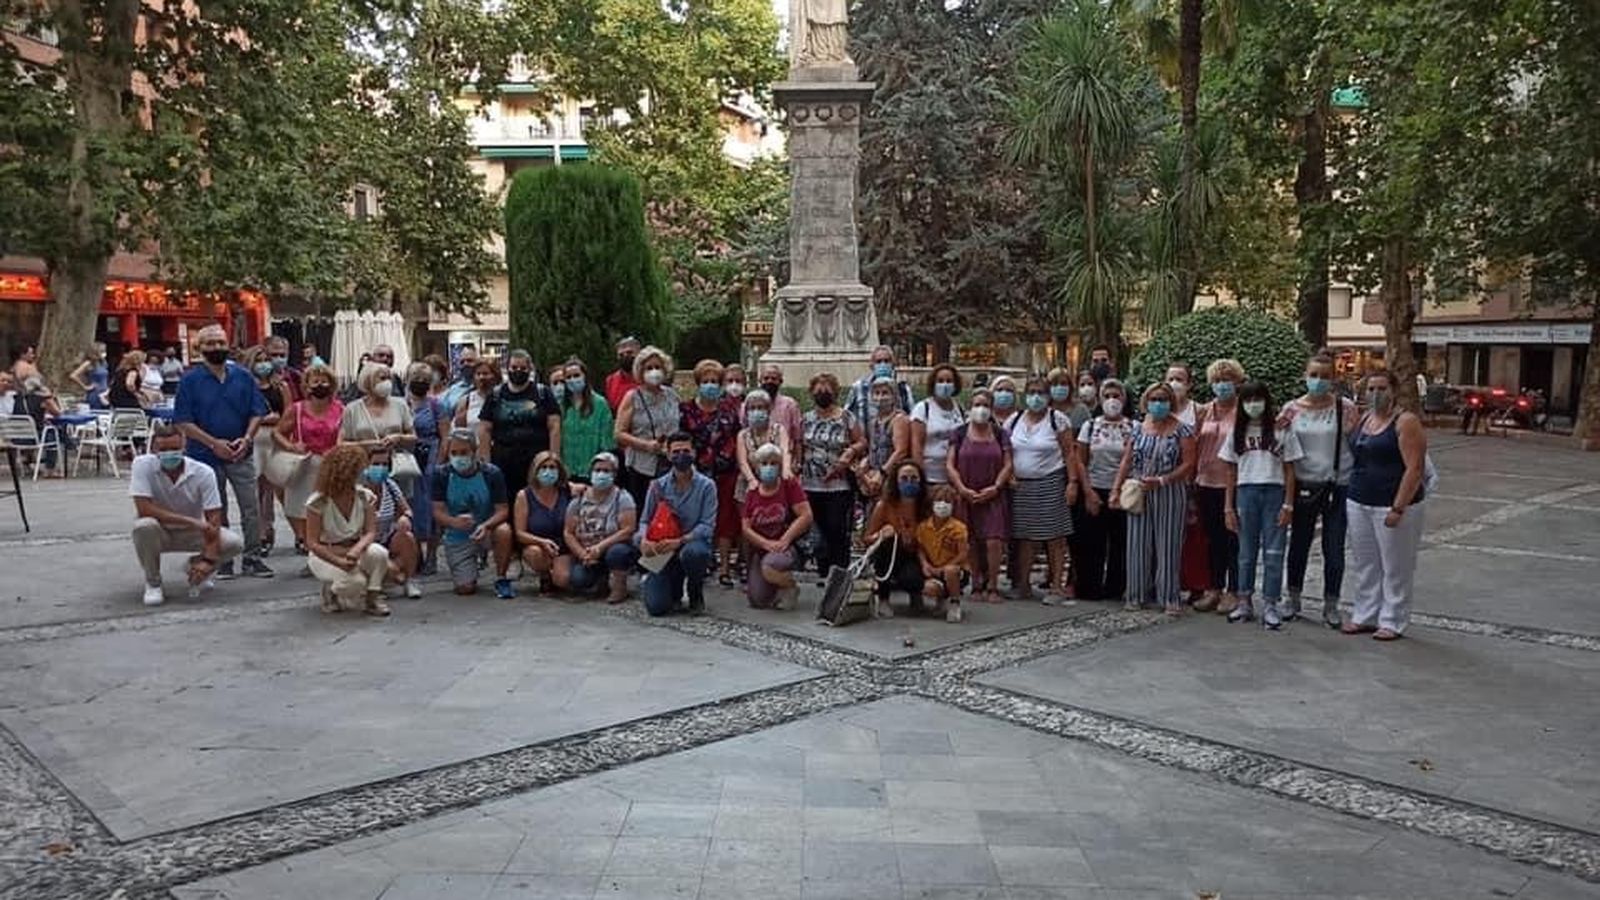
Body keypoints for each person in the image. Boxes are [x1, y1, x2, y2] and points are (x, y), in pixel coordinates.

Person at [174, 325, 274, 579]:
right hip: (204, 455)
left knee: (251, 507)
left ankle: (253, 558)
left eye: (220, 342)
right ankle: (223, 558)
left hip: (241, 451)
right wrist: (213, 443)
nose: (216, 347)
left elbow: (257, 412)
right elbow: (183, 421)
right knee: (216, 509)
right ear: (200, 348)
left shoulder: (242, 375)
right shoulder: (189, 380)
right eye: (210, 343)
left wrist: (247, 438)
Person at [1344, 370, 1427, 641]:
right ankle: (1365, 614)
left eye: (1381, 388)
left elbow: (1414, 468)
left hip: (1392, 504)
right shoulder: (1364, 419)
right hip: (1359, 500)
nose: (1375, 394)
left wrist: (1398, 507)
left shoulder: (1406, 422)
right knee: (1366, 563)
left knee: (1396, 565)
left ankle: (1393, 619)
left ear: (1393, 391)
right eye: (1370, 389)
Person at [1279, 351, 1359, 627]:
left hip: (1338, 484)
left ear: (1334, 379)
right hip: (1303, 484)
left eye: (1325, 376)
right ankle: (1293, 598)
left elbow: (1357, 443)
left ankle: (1331, 603)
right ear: (1305, 376)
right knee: (1299, 544)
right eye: (1314, 375)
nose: (1319, 381)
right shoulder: (1291, 409)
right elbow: (1281, 446)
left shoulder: (1344, 407)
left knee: (1334, 547)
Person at [129, 423, 244, 606]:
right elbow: (144, 508)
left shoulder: (203, 473)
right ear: (154, 449)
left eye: (175, 448)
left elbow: (214, 519)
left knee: (234, 543)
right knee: (143, 526)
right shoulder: (142, 465)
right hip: (159, 531)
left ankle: (195, 567)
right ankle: (153, 582)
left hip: (192, 532)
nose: (169, 454)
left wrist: (208, 560)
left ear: (184, 447)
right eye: (163, 449)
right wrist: (191, 521)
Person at [1221, 382, 1302, 629]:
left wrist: (1289, 504)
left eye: (1258, 399)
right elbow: (1230, 472)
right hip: (1246, 492)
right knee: (1245, 552)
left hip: (1274, 492)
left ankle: (1270, 603)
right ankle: (1244, 600)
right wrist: (1228, 507)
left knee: (1274, 552)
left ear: (1267, 401)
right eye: (1248, 399)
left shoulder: (1281, 430)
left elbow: (1290, 469)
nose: (1253, 404)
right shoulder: (1236, 432)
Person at [1112, 382, 1197, 615]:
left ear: (1171, 402)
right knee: (1137, 544)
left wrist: (1164, 480)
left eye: (1163, 399)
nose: (1158, 404)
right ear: (1146, 402)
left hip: (1169, 490)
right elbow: (1127, 460)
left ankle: (1169, 596)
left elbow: (1189, 463)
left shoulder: (1183, 430)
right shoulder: (1138, 428)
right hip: (1140, 489)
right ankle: (1136, 594)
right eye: (1154, 399)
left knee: (1168, 544)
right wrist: (1115, 489)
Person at [1007, 376, 1076, 604]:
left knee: (1054, 536)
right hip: (1022, 485)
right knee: (1025, 537)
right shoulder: (1014, 420)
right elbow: (1006, 451)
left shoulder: (1058, 420)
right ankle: (1024, 584)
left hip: (1050, 482)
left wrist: (1072, 482)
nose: (1036, 397)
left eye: (1041, 392)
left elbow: (1069, 453)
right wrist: (1008, 475)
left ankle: (1056, 587)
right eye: (1032, 392)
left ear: (1048, 396)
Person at [304, 443, 392, 617]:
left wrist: (357, 549)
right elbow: (312, 542)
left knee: (379, 553)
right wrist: (339, 562)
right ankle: (331, 592)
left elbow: (370, 531)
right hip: (327, 552)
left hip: (355, 549)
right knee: (355, 583)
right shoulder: (318, 502)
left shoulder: (364, 496)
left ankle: (373, 598)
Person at [637, 432, 717, 616]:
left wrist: (681, 541)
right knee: (656, 608)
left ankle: (695, 590)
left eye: (686, 451)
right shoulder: (657, 486)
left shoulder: (707, 486)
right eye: (676, 451)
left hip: (691, 543)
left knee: (695, 553)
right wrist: (643, 539)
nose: (681, 455)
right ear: (668, 454)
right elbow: (644, 520)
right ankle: (672, 585)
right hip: (662, 548)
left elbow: (707, 525)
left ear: (694, 453)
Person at [679, 359, 743, 586]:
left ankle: (725, 567)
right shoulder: (686, 409)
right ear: (698, 383)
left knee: (725, 520)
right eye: (706, 381)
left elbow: (736, 438)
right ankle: (701, 562)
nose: (710, 385)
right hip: (696, 474)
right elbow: (682, 440)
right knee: (698, 519)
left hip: (725, 474)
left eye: (715, 381)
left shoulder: (729, 410)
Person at [432, 428, 516, 598]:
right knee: (465, 589)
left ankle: (501, 577)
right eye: (454, 453)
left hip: (486, 529)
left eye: (464, 452)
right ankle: (471, 566)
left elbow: (503, 510)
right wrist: (453, 522)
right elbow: (437, 512)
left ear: (474, 451)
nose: (459, 457)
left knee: (504, 531)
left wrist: (486, 525)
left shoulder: (492, 474)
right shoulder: (441, 475)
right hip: (458, 534)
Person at [946, 389, 1011, 605]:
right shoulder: (959, 432)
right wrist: (961, 488)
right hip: (967, 493)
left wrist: (997, 486)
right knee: (971, 540)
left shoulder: (1000, 433)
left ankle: (992, 584)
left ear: (991, 409)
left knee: (993, 540)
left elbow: (1008, 464)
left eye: (985, 405)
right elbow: (950, 463)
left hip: (992, 494)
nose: (980, 409)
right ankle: (976, 582)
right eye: (976, 404)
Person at [1072, 378, 1133, 602]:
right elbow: (1080, 460)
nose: (1112, 401)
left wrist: (1118, 490)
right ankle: (1089, 587)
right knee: (1090, 543)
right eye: (1107, 396)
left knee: (1120, 543)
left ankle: (1116, 588)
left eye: (1116, 396)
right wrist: (1088, 492)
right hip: (1094, 489)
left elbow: (1130, 460)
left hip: (1122, 491)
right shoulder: (1090, 426)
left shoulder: (1132, 427)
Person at [800, 372, 866, 579]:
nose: (822, 393)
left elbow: (862, 442)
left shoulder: (846, 417)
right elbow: (799, 445)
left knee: (837, 527)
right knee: (818, 529)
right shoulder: (806, 418)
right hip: (811, 483)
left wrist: (849, 454)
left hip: (839, 483)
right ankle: (822, 571)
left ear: (835, 392)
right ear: (812, 393)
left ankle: (839, 573)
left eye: (826, 389)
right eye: (818, 390)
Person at [275, 362, 344, 556]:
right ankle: (310, 548)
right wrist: (291, 446)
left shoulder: (340, 408)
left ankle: (327, 550)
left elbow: (346, 433)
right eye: (316, 381)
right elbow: (277, 433)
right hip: (305, 464)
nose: (320, 385)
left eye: (324, 381)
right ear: (307, 385)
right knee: (302, 509)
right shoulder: (297, 409)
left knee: (331, 510)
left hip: (332, 465)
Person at [1192, 358, 1245, 613]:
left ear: (1237, 383)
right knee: (1212, 539)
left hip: (1233, 483)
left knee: (1233, 538)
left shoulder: (1244, 411)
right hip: (1205, 482)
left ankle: (1234, 590)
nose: (1222, 385)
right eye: (1217, 380)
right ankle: (1213, 587)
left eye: (1227, 380)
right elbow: (1194, 446)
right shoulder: (1203, 411)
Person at [478, 349, 561, 497]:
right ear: (507, 369)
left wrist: (553, 459)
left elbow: (554, 427)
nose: (518, 371)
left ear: (530, 370)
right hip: (503, 463)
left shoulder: (543, 393)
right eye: (514, 368)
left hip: (536, 464)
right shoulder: (495, 395)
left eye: (523, 368)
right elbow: (485, 429)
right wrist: (486, 465)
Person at [742, 443, 812, 610]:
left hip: (786, 546)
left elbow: (806, 515)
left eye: (774, 463)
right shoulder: (751, 492)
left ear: (780, 465)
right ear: (757, 467)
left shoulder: (789, 485)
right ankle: (774, 585)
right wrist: (765, 544)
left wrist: (785, 539)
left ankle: (790, 585)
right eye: (764, 463)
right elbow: (746, 527)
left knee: (770, 566)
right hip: (762, 548)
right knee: (757, 601)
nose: (769, 467)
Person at [564, 452, 639, 603]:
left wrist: (600, 547)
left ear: (615, 474)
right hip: (587, 550)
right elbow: (568, 532)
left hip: (612, 548)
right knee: (578, 580)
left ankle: (619, 587)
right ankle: (601, 579)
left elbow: (628, 530)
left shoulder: (623, 498)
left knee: (618, 552)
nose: (601, 474)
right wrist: (582, 554)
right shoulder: (578, 499)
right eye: (597, 470)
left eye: (606, 471)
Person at [864, 461, 933, 615]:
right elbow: (867, 538)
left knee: (913, 577)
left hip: (915, 555)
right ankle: (883, 599)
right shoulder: (884, 506)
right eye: (904, 478)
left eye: (914, 478)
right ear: (896, 481)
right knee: (887, 544)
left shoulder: (926, 507)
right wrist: (880, 535)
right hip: (890, 554)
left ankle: (916, 595)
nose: (909, 482)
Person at [615, 346, 680, 507]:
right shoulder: (632, 397)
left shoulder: (672, 395)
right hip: (641, 466)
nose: (654, 371)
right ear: (640, 372)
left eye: (657, 367)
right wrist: (646, 445)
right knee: (644, 509)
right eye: (649, 368)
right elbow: (619, 433)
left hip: (670, 463)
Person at [340, 364, 419, 494]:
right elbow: (341, 444)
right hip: (362, 469)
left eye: (389, 378)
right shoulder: (352, 409)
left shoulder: (400, 405)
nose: (387, 382)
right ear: (368, 381)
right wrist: (366, 445)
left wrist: (398, 438)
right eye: (382, 378)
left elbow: (413, 437)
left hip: (396, 469)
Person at [403, 361, 447, 574]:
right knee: (409, 505)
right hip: (406, 460)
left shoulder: (437, 405)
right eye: (416, 379)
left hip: (430, 457)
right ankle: (415, 553)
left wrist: (439, 462)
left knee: (431, 508)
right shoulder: (401, 404)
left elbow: (446, 436)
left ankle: (431, 555)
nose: (420, 383)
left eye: (424, 380)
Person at [246, 346, 290, 555]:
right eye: (259, 360)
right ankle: (258, 534)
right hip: (254, 439)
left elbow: (289, 415)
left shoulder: (280, 386)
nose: (264, 363)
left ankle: (268, 529)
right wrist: (264, 419)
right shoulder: (245, 386)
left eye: (266, 359)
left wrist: (278, 421)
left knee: (271, 489)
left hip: (274, 440)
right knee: (253, 490)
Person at [363, 444, 422, 598]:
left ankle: (410, 581)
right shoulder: (359, 489)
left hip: (386, 539)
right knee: (385, 564)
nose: (380, 468)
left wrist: (405, 517)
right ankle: (379, 583)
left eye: (385, 464)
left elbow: (407, 509)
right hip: (364, 543)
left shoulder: (390, 485)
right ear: (366, 465)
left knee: (407, 537)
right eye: (376, 464)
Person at [513, 450, 574, 593]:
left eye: (552, 467)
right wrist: (541, 542)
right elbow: (520, 533)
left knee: (563, 580)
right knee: (534, 553)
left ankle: (558, 574)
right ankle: (545, 575)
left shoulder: (567, 491)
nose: (548, 472)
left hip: (562, 545)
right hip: (537, 544)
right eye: (543, 467)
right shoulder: (524, 496)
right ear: (535, 470)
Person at [855, 376, 909, 514]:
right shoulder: (874, 421)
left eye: (885, 393)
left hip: (891, 478)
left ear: (894, 396)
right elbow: (873, 448)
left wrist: (882, 473)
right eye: (876, 393)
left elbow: (901, 451)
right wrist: (864, 467)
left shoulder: (899, 419)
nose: (880, 397)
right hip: (873, 480)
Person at [916, 485, 969, 623]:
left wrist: (945, 568)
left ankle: (955, 603)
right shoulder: (923, 527)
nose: (942, 505)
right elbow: (920, 548)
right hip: (933, 569)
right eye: (939, 500)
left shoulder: (959, 528)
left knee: (951, 571)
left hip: (956, 570)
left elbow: (963, 553)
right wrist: (925, 564)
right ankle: (941, 599)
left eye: (947, 501)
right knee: (928, 588)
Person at [735, 389, 793, 509]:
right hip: (749, 484)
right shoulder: (742, 435)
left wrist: (786, 470)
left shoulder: (779, 430)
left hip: (776, 482)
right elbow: (742, 461)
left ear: (769, 410)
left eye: (761, 407)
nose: (757, 411)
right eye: (752, 408)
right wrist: (751, 480)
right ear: (746, 412)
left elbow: (785, 452)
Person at [558, 359, 613, 484]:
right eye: (568, 377)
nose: (573, 380)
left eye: (576, 375)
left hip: (593, 473)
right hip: (567, 472)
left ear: (585, 376)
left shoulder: (600, 404)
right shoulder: (560, 406)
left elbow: (607, 441)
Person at [911, 364, 966, 485]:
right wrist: (921, 477)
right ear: (933, 384)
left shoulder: (960, 408)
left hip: (954, 477)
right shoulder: (923, 408)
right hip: (930, 476)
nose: (945, 385)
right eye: (940, 381)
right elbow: (916, 446)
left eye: (949, 381)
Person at [845, 345, 913, 425]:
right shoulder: (859, 387)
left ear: (893, 364)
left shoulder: (903, 389)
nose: (883, 364)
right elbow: (846, 416)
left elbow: (912, 417)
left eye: (886, 361)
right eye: (878, 361)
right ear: (872, 365)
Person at [757, 364, 804, 460]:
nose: (769, 381)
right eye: (766, 378)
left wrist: (798, 461)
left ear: (780, 382)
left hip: (785, 458)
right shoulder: (749, 404)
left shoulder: (790, 404)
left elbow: (798, 438)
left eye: (774, 379)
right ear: (760, 381)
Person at [453, 357, 500, 433]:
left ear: (495, 375)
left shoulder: (501, 397)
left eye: (485, 374)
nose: (481, 377)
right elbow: (459, 432)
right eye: (478, 374)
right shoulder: (465, 401)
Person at [440, 345, 480, 419]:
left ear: (479, 362)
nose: (465, 364)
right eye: (462, 362)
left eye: (469, 360)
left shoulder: (488, 387)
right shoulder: (452, 389)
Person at [604, 336, 642, 413]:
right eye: (621, 355)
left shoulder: (646, 378)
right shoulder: (610, 381)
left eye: (629, 353)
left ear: (639, 354)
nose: (625, 356)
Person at [68, 343, 110, 409]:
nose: (104, 353)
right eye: (101, 351)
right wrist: (85, 386)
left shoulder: (103, 363)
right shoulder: (88, 363)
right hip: (95, 392)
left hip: (105, 392)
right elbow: (73, 375)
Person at [263, 336, 301, 402]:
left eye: (282, 355)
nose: (278, 359)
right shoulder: (260, 378)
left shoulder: (295, 376)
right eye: (274, 355)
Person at [1166, 362, 1200, 428]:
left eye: (1179, 380)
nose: (1174, 383)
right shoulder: (1159, 411)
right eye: (1170, 379)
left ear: (1189, 384)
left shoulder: (1198, 411)